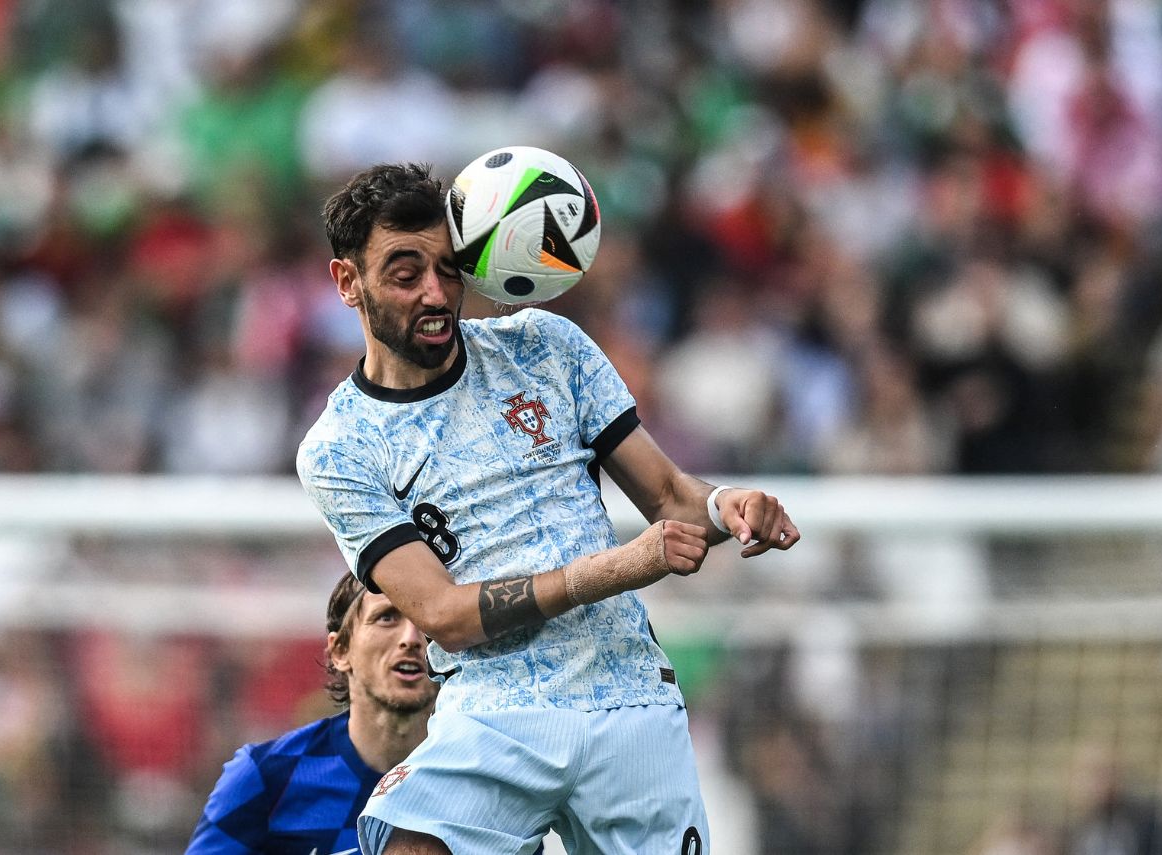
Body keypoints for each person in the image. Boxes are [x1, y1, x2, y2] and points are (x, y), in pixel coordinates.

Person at [297, 162, 800, 855]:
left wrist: (726, 505)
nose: (436, 293)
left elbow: (671, 498)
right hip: (494, 708)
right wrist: (619, 567)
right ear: (347, 281)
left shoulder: (546, 346)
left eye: (449, 269)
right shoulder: (340, 448)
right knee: (412, 844)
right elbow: (444, 614)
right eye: (406, 274)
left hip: (625, 694)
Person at [184, 571, 438, 854]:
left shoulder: (472, 773)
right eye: (387, 618)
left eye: (425, 620)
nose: (411, 638)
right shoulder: (268, 776)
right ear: (340, 651)